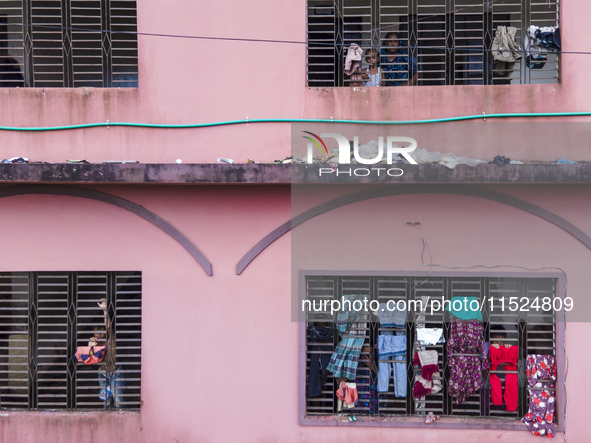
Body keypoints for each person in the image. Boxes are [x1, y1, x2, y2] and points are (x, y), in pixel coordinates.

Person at [93, 298, 125, 408]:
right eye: (96, 332)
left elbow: (109, 328)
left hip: (115, 374)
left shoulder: (110, 341)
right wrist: (90, 346)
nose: (98, 335)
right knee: (106, 403)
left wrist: (104, 311)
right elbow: (87, 359)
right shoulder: (95, 344)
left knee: (118, 400)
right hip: (102, 374)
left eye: (100, 332)